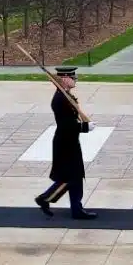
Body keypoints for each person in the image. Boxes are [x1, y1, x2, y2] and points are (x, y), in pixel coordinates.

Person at [35, 66, 97, 220]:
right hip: (65, 143)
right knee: (70, 177)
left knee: (74, 176)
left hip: (69, 141)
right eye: (72, 77)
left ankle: (76, 209)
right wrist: (84, 127)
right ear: (64, 79)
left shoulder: (66, 96)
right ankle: (46, 198)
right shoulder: (60, 100)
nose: (75, 80)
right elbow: (66, 125)